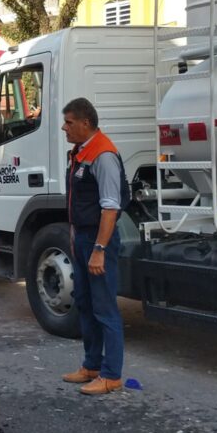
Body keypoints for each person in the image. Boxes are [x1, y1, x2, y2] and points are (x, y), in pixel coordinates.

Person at [60, 97, 129, 395]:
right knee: (85, 302)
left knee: (104, 307)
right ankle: (92, 365)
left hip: (98, 239)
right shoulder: (80, 152)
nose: (64, 127)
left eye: (69, 122)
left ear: (85, 123)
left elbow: (110, 208)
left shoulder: (103, 155)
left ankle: (111, 375)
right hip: (83, 237)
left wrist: (99, 249)